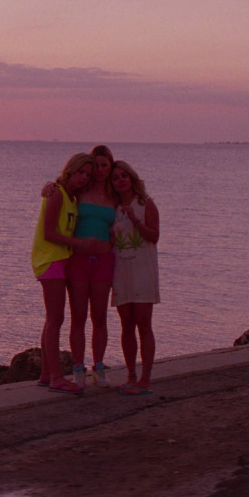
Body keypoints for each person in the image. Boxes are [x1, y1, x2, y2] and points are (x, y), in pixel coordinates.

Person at [31, 153, 96, 395]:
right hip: (50, 259)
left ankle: (47, 374)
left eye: (87, 175)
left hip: (62, 258)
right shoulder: (57, 193)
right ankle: (57, 377)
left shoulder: (71, 197)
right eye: (81, 172)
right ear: (71, 170)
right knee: (55, 318)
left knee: (53, 318)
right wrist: (79, 243)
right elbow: (49, 233)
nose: (83, 177)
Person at [65, 145, 117, 389]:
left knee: (100, 317)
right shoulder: (80, 191)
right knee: (78, 317)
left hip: (104, 262)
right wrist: (49, 186)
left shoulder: (115, 194)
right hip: (78, 261)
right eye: (96, 165)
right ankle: (78, 368)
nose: (99, 170)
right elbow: (61, 190)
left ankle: (99, 366)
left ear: (110, 166)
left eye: (104, 165)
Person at [109, 160, 159, 396]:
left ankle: (146, 379)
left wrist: (136, 221)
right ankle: (131, 375)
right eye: (116, 177)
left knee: (143, 324)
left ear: (132, 177)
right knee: (126, 325)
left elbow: (154, 236)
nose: (121, 180)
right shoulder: (113, 209)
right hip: (121, 272)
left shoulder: (145, 204)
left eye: (124, 176)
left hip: (142, 272)